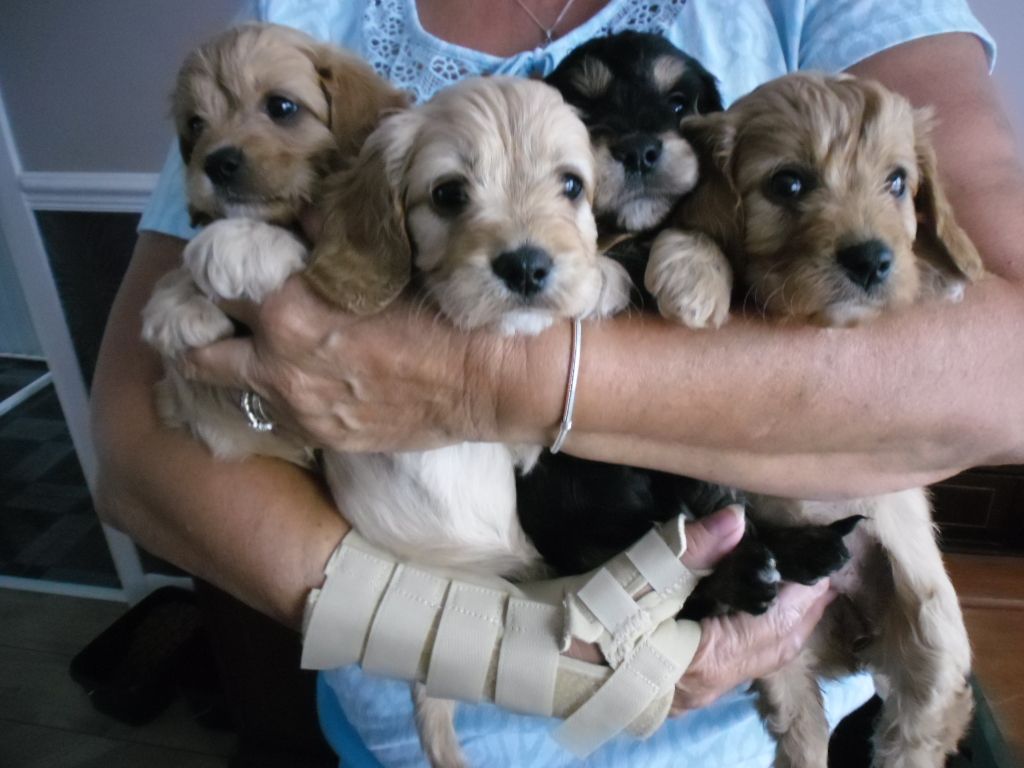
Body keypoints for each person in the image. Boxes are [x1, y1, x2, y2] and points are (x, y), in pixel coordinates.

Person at [89, 0, 1022, 766]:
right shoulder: (284, 27)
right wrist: (517, 653)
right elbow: (137, 456)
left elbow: (1005, 366)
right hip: (412, 723)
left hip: (790, 694)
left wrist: (496, 383)